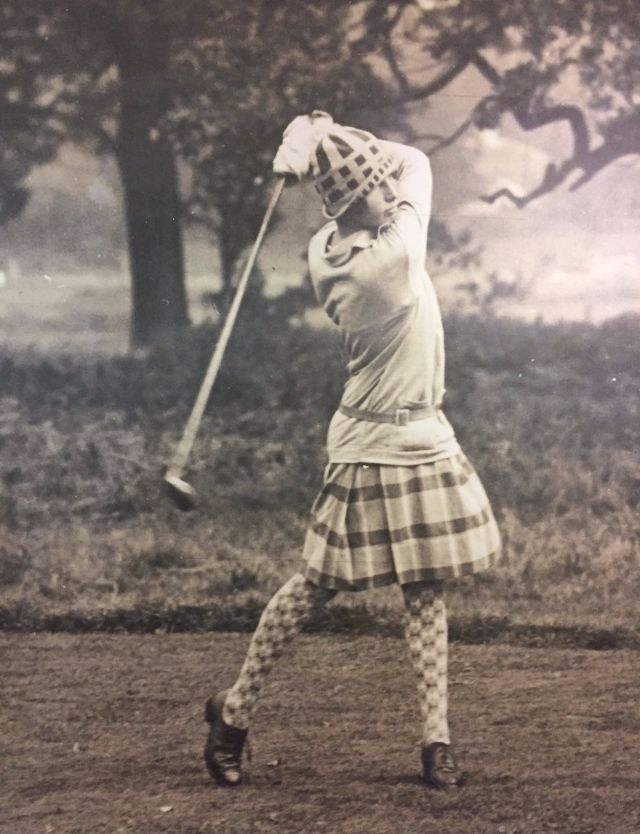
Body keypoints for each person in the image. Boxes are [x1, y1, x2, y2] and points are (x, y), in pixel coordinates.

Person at [204, 112, 501, 790]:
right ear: (365, 194)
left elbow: (383, 177)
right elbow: (415, 164)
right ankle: (233, 714)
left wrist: (321, 145)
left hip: (418, 434)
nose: (388, 189)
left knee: (425, 591)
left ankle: (436, 742)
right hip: (373, 443)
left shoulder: (323, 246)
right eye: (376, 184)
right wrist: (335, 131)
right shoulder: (392, 258)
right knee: (314, 586)